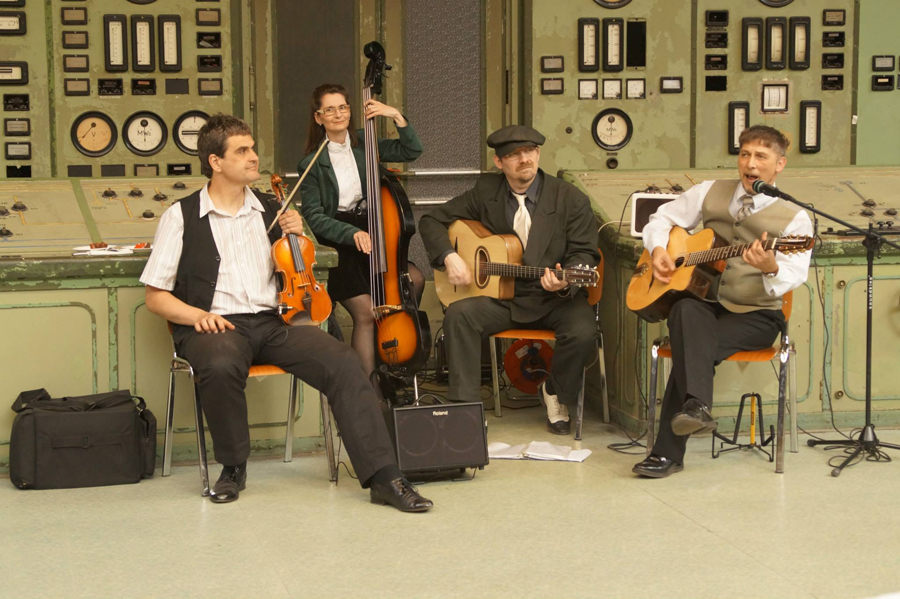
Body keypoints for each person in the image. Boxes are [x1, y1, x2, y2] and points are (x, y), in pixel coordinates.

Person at [140, 113, 432, 511]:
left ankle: (384, 477)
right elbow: (155, 296)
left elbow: (295, 267)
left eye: (252, 148)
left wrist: (297, 233)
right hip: (214, 325)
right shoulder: (181, 215)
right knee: (221, 364)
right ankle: (233, 467)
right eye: (242, 151)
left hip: (273, 322)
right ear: (215, 162)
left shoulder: (272, 207)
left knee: (344, 361)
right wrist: (196, 317)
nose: (253, 157)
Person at [631, 125, 813, 478]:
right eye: (745, 154)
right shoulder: (708, 191)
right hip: (708, 303)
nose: (751, 163)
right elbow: (660, 219)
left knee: (690, 345)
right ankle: (696, 408)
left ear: (779, 164)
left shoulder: (795, 218)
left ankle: (667, 453)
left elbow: (794, 274)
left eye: (761, 156)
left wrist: (771, 266)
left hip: (756, 314)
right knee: (684, 309)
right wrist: (658, 250)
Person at [419, 125, 600, 435]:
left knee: (583, 333)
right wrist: (449, 256)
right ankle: (466, 412)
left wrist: (566, 280)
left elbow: (584, 253)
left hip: (554, 298)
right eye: (514, 155)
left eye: (529, 152)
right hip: (505, 298)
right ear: (499, 162)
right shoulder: (486, 192)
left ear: (538, 154)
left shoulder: (570, 198)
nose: (524, 159)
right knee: (460, 315)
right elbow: (431, 220)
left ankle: (554, 391)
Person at [297, 83, 425, 380]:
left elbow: (412, 150)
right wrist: (349, 234)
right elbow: (314, 216)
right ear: (318, 117)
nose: (338, 114)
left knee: (414, 279)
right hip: (339, 241)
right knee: (366, 313)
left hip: (374, 232)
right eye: (330, 109)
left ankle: (393, 359)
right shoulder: (312, 162)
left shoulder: (365, 142)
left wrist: (395, 116)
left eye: (343, 107)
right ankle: (370, 388)